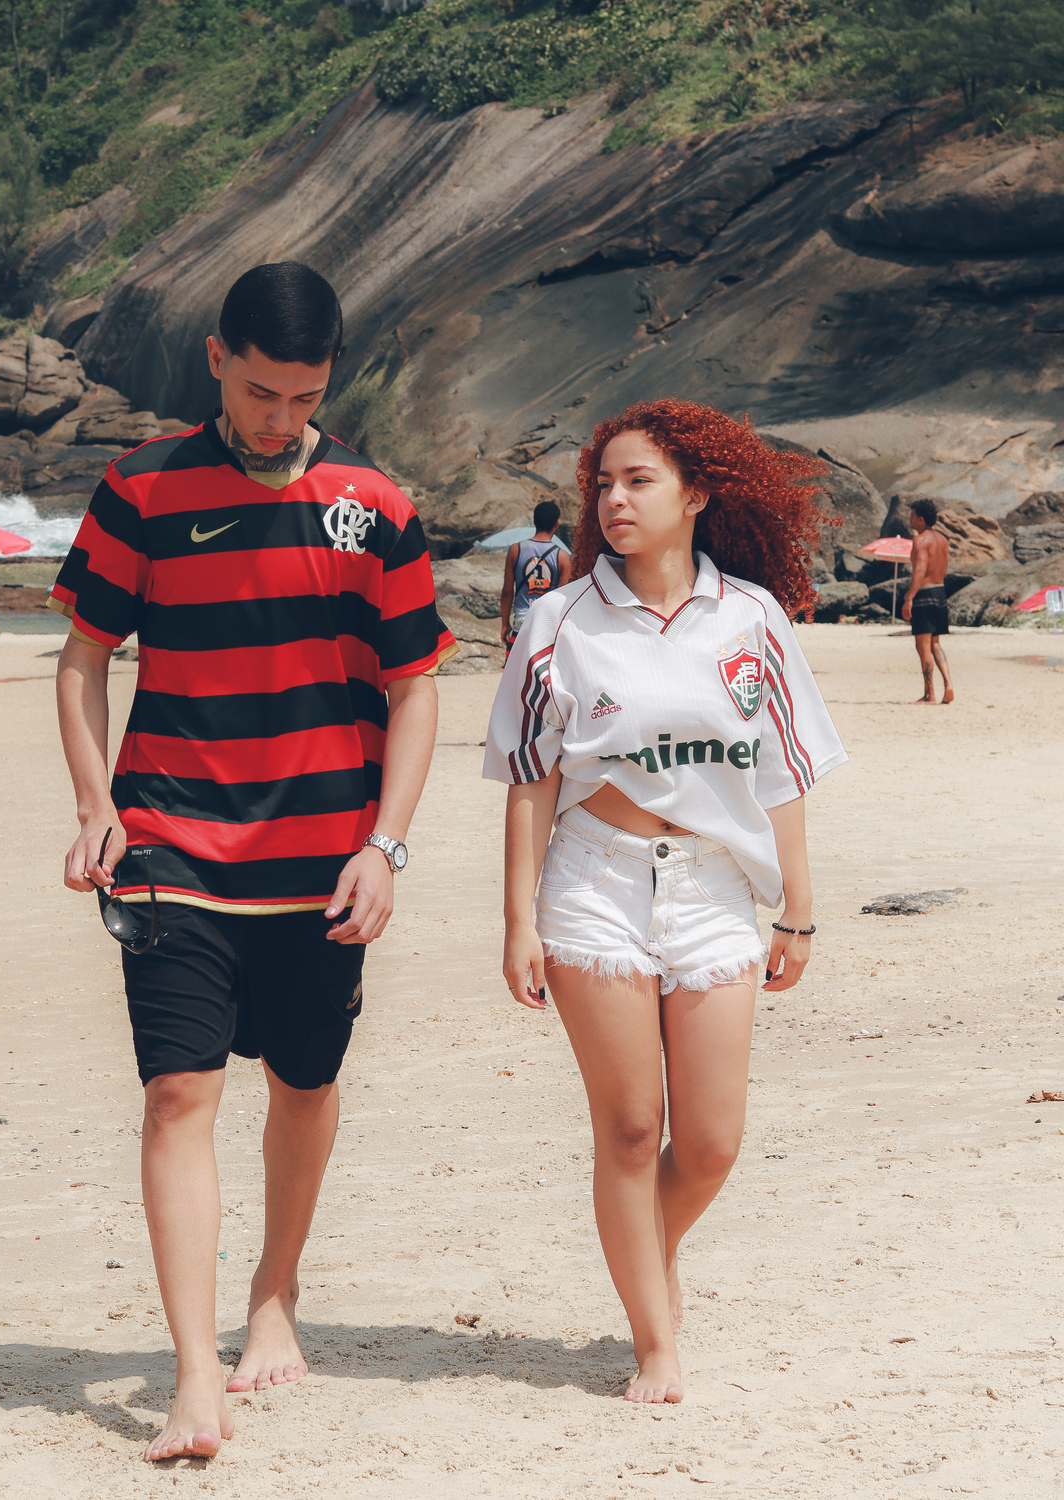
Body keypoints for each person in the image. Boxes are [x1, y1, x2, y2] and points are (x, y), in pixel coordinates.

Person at [51, 262, 456, 1464]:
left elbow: (415, 687)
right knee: (178, 1092)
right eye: (260, 391)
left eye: (305, 396)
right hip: (172, 841)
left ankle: (274, 1293)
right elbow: (83, 657)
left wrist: (386, 845)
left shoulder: (375, 505)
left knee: (304, 1083)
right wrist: (96, 806)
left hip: (324, 858)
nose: (279, 418)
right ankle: (194, 1375)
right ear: (217, 358)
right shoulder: (140, 488)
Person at [484, 400, 847, 1405]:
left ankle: (647, 1247)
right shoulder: (559, 619)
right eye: (603, 483)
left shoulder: (752, 618)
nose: (615, 499)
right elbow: (530, 781)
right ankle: (655, 1341)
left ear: (696, 495)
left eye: (638, 481)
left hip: (715, 886)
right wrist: (517, 921)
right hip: (592, 881)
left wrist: (798, 909)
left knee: (715, 1141)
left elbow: (782, 775)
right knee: (634, 1130)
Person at [500, 499, 572, 658]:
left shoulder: (516, 550)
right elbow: (562, 599)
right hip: (546, 629)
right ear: (557, 523)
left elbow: (507, 592)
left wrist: (505, 624)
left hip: (521, 627)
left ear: (535, 521)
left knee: (514, 672)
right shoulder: (563, 557)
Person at [901, 498, 953, 705]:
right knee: (935, 644)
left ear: (921, 519)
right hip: (940, 593)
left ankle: (929, 694)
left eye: (912, 516)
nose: (910, 520)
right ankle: (948, 683)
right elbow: (943, 569)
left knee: (923, 647)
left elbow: (920, 569)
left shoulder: (921, 540)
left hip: (924, 595)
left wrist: (910, 597)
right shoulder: (943, 540)